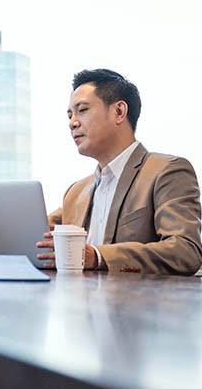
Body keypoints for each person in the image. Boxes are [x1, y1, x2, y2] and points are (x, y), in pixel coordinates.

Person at [37, 68, 202, 275]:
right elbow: (34, 234)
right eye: (70, 115)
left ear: (119, 112)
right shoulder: (76, 192)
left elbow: (185, 251)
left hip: (141, 304)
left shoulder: (167, 171)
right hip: (79, 304)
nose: (73, 123)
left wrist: (97, 256)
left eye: (83, 110)